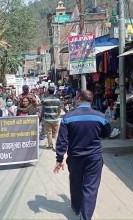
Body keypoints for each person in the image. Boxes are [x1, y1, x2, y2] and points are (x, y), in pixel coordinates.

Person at [53, 90, 111, 220]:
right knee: (90, 188)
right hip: (94, 158)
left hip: (74, 158)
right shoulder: (100, 116)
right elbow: (107, 133)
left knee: (75, 183)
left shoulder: (68, 117)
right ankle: (85, 217)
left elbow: (62, 140)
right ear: (91, 101)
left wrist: (59, 159)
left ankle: (77, 207)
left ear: (78, 99)